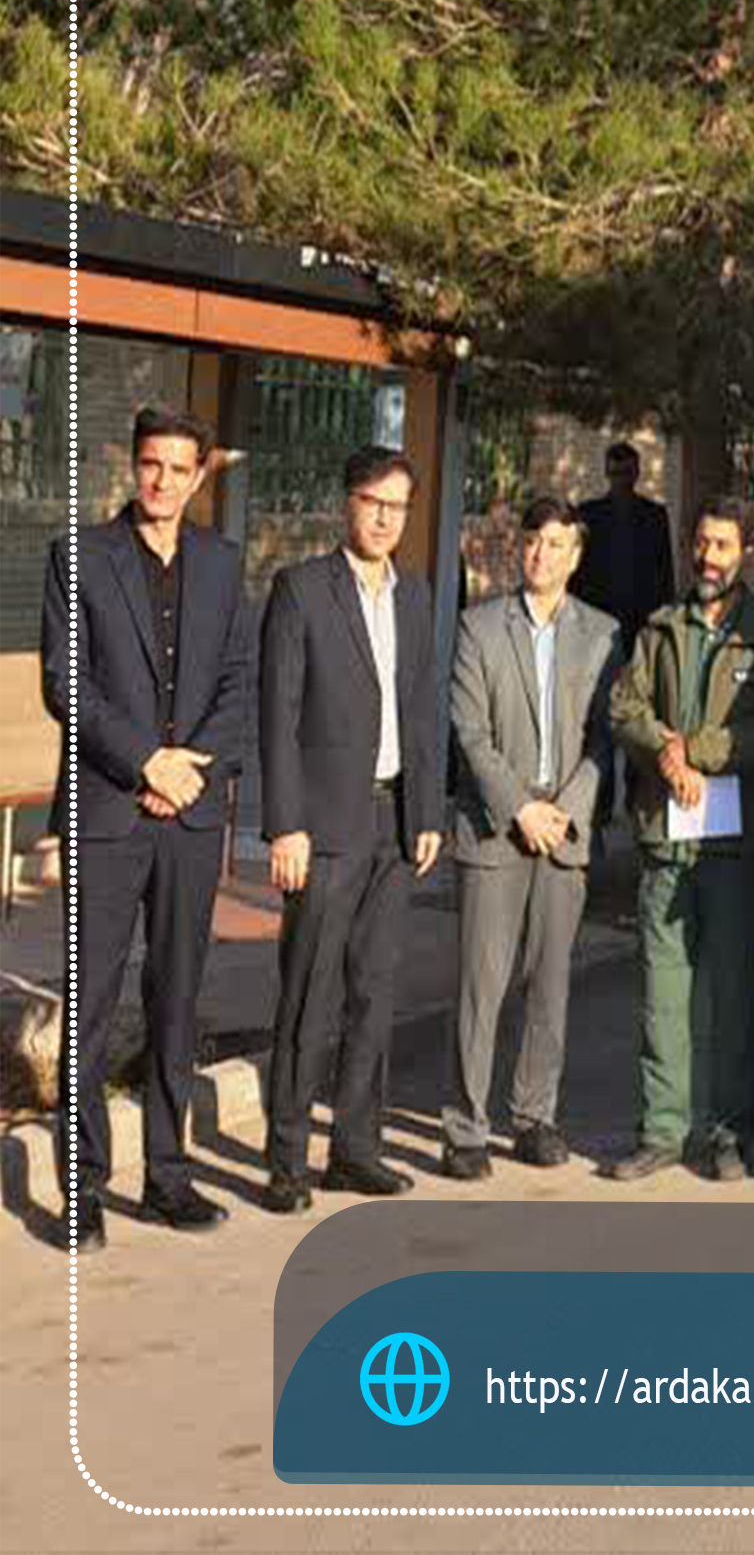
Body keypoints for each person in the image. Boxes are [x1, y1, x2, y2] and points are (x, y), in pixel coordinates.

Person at [44, 406, 255, 1251]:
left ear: (201, 476)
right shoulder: (80, 555)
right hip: (107, 809)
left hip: (189, 817)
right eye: (149, 464)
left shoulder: (224, 564)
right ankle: (83, 1188)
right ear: (132, 466)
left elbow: (238, 681)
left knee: (176, 998)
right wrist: (147, 764)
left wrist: (187, 771)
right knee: (90, 1002)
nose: (162, 480)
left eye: (178, 467)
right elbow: (67, 684)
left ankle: (167, 1176)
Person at [259, 446, 448, 1212]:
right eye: (372, 502)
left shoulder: (416, 596)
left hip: (395, 824)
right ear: (347, 503)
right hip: (326, 827)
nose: (384, 518)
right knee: (310, 995)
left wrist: (427, 811)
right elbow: (277, 717)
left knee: (374, 993)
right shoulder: (302, 591)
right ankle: (285, 1161)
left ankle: (355, 1150)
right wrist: (285, 826)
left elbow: (424, 710)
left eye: (397, 506)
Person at [602, 498, 754, 1182]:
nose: (708, 558)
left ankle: (729, 1134)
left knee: (733, 1000)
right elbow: (624, 706)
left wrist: (701, 751)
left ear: (746, 552)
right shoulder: (660, 627)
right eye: (701, 543)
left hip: (734, 846)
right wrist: (666, 751)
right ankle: (661, 1131)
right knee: (663, 996)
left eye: (722, 545)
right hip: (667, 839)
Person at [440, 495, 620, 1179]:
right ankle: (465, 1128)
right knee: (481, 985)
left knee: (550, 984)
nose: (541, 555)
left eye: (556, 545)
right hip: (496, 829)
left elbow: (605, 738)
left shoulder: (602, 634)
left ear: (576, 557)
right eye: (533, 542)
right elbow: (469, 732)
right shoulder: (479, 626)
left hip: (564, 831)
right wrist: (520, 808)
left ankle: (534, 1116)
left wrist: (565, 810)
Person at [571, 440, 675, 645]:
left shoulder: (655, 516)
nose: (621, 481)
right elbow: (577, 569)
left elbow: (665, 571)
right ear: (607, 474)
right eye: (615, 473)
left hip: (641, 617)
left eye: (626, 473)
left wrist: (664, 616)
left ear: (636, 474)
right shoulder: (589, 514)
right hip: (597, 614)